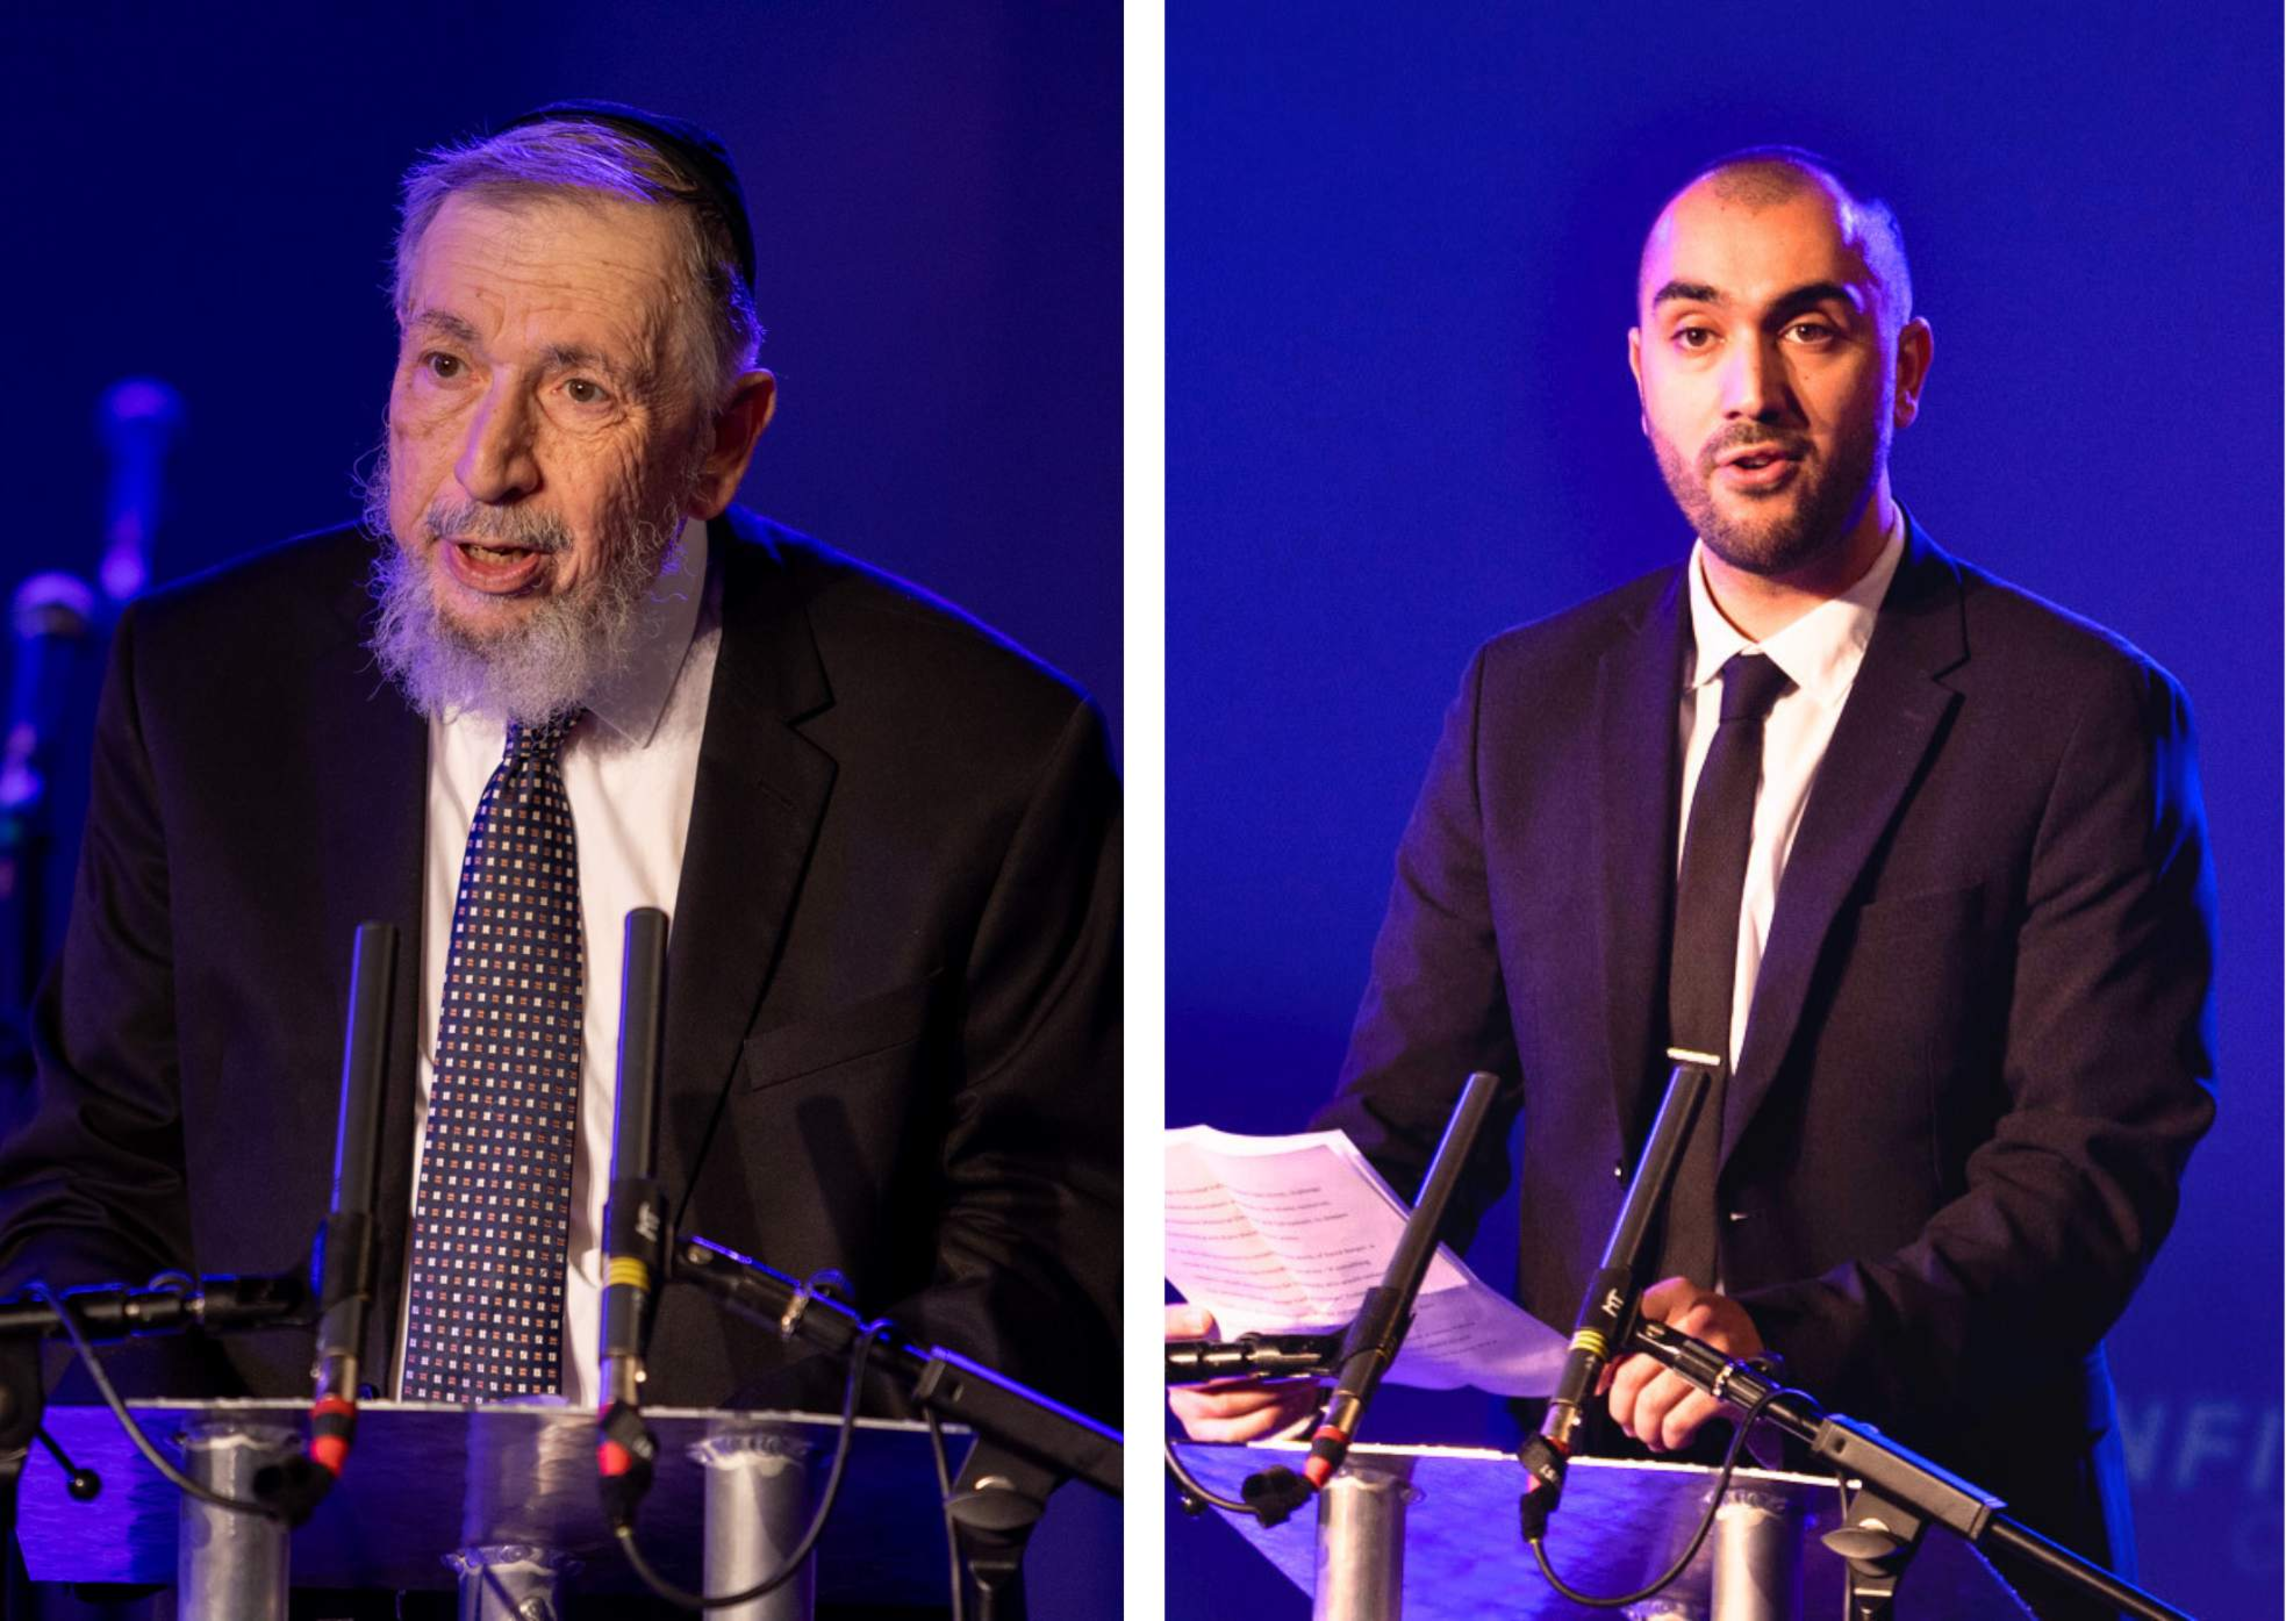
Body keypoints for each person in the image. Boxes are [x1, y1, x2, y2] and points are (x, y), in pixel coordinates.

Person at [1170, 149, 2213, 1615]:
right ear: (1642, 375)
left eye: (1810, 327)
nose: (1749, 391)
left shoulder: (2077, 713)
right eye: (1697, 331)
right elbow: (1415, 1114)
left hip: (1930, 1534)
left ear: (1906, 369)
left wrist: (1787, 1346)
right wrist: (1293, 1328)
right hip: (1585, 1538)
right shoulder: (1523, 702)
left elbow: (2090, 1168)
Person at [0, 102, 1120, 1437]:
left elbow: (1041, 1248)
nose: (488, 465)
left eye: (580, 390)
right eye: (446, 364)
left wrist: (745, 1509)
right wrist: (199, 1500)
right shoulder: (202, 687)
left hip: (740, 1534)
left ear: (721, 442)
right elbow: (92, 1183)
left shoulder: (984, 755)